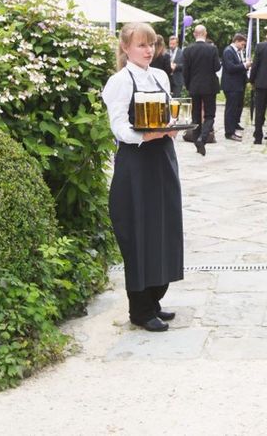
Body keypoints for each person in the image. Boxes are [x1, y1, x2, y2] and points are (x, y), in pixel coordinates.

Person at [101, 22, 183, 333]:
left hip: (162, 159)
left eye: (151, 44)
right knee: (139, 231)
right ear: (125, 48)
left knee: (164, 227)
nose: (148, 50)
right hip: (136, 162)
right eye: (140, 45)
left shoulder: (160, 76)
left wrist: (172, 126)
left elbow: (166, 115)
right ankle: (140, 308)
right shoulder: (119, 82)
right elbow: (118, 125)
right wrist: (144, 136)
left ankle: (156, 297)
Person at [180, 24, 221, 156]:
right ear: (206, 33)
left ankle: (197, 143)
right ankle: (202, 139)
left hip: (194, 86)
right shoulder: (212, 49)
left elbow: (185, 71)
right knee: (210, 115)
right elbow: (217, 67)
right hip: (210, 86)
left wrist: (188, 84)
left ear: (194, 34)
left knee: (195, 116)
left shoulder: (187, 50)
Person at [221, 32, 250, 141]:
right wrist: (244, 65)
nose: (243, 47)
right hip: (231, 85)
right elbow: (230, 67)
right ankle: (229, 132)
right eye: (242, 44)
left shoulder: (236, 51)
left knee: (234, 108)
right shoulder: (228, 51)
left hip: (236, 84)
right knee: (230, 109)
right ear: (236, 41)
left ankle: (232, 129)